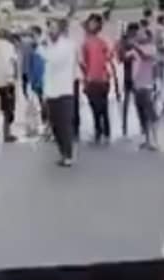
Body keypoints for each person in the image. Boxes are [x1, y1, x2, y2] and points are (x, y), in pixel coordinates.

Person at [41, 18, 80, 166]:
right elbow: (48, 71)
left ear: (61, 30)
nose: (50, 31)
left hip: (64, 91)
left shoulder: (68, 46)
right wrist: (45, 93)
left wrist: (44, 48)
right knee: (55, 126)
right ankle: (63, 154)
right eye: (49, 28)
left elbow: (56, 61)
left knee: (65, 125)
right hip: (51, 92)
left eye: (53, 28)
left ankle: (68, 155)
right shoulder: (49, 46)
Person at [79, 13, 114, 145]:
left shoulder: (103, 42)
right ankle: (98, 130)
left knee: (103, 107)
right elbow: (83, 62)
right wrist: (85, 77)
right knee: (95, 107)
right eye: (91, 23)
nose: (92, 25)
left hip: (103, 78)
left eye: (95, 23)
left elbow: (109, 58)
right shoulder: (85, 43)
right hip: (91, 79)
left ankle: (106, 131)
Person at [126, 22, 161, 149]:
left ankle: (155, 140)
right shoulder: (135, 49)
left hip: (148, 85)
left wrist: (134, 46)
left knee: (151, 114)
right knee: (142, 115)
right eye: (138, 34)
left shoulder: (151, 48)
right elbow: (123, 57)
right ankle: (147, 139)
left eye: (142, 34)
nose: (139, 35)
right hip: (137, 85)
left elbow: (145, 56)